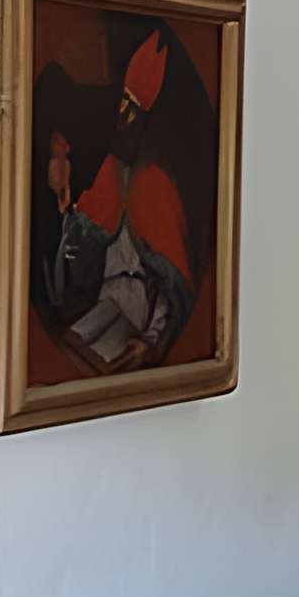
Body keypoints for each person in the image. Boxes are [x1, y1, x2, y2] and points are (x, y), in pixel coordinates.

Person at [41, 27, 196, 370]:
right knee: (75, 345)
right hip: (102, 302)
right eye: (122, 105)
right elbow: (85, 251)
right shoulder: (109, 170)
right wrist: (70, 214)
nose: (123, 118)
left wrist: (152, 339)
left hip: (133, 311)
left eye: (132, 109)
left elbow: (171, 282)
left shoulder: (155, 184)